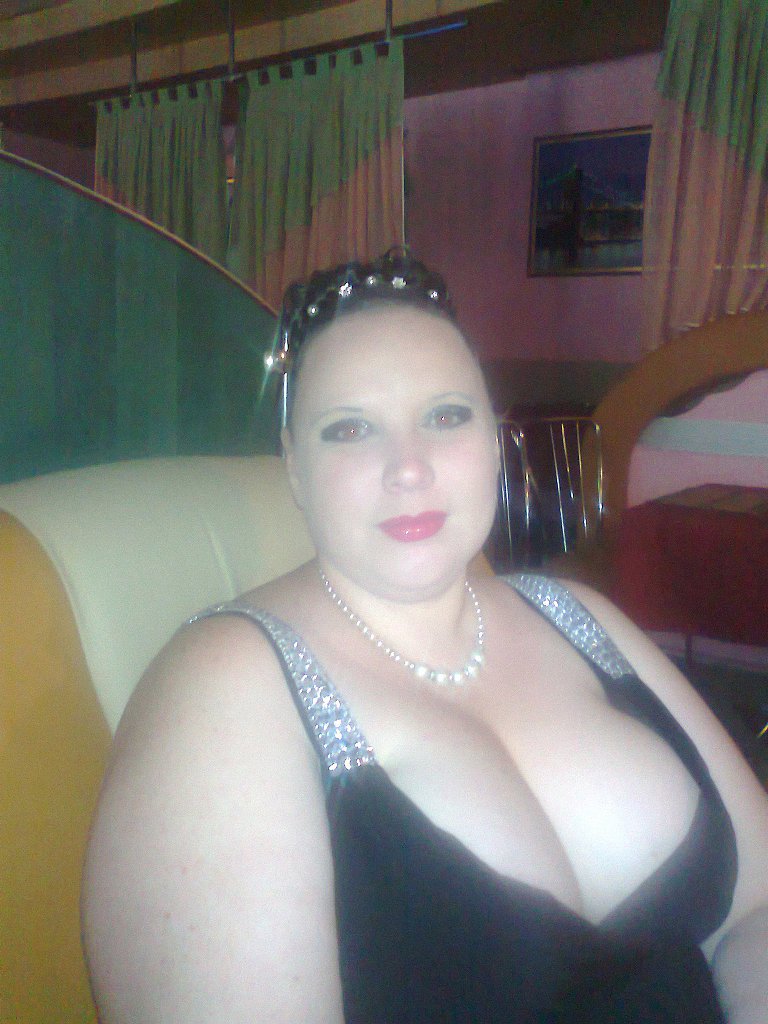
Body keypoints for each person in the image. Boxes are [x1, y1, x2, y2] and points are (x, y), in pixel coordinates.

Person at [82, 250, 768, 1023]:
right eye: (350, 429)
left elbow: (756, 907)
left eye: (446, 416)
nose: (408, 468)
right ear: (295, 469)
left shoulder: (579, 615)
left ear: (494, 441)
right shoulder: (220, 684)